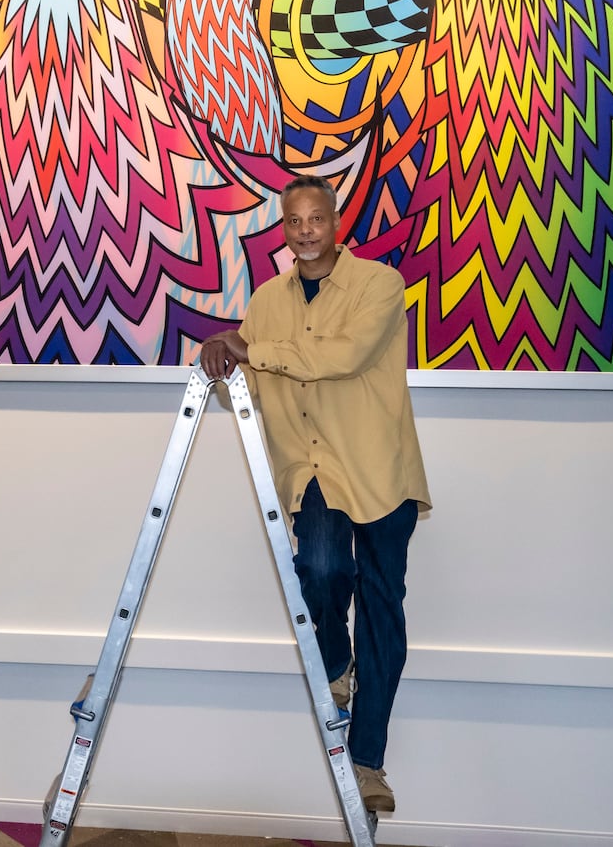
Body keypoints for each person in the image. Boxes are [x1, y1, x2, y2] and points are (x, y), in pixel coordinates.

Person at [199, 175, 430, 814]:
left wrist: (250, 347)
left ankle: (368, 761)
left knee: (383, 608)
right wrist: (222, 353)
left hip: (379, 471)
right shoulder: (266, 302)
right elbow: (256, 368)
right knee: (319, 570)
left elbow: (342, 355)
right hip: (312, 473)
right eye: (293, 221)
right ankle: (335, 664)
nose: (304, 231)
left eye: (315, 219)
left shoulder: (380, 284)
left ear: (336, 222)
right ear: (284, 226)